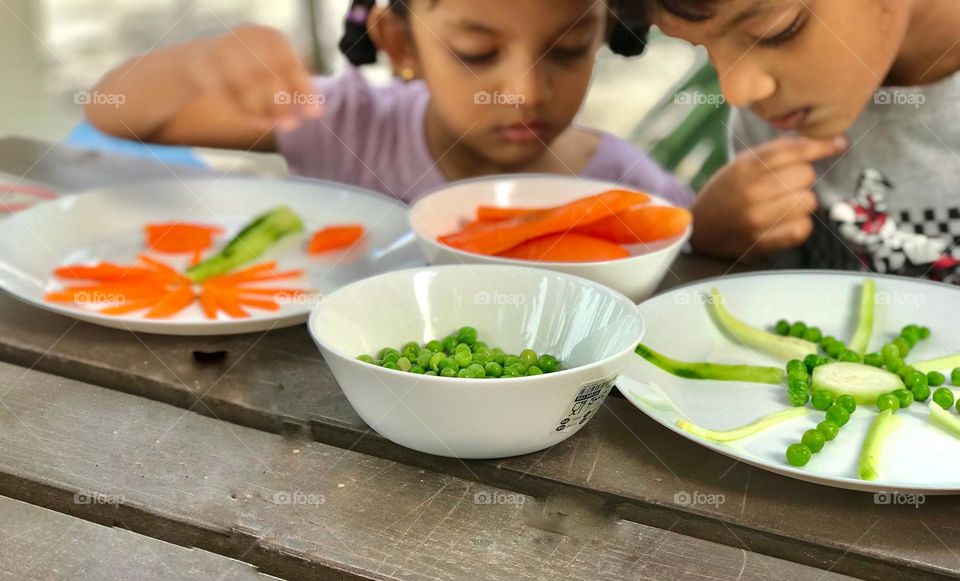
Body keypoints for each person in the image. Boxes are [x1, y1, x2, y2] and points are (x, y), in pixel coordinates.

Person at [85, 0, 693, 206]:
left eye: (569, 50)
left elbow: (694, 254)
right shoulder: (346, 126)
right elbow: (115, 113)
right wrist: (194, 64)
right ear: (400, 43)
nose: (527, 92)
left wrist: (719, 227)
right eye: (476, 52)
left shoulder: (622, 184)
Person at [648, 0, 960, 282]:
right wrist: (712, 239)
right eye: (705, 49)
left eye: (778, 30)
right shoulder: (773, 120)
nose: (737, 91)